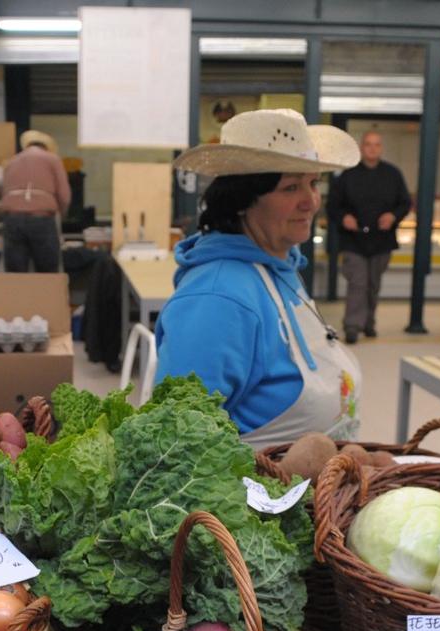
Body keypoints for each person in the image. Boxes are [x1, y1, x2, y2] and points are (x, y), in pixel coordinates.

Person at [155, 109, 363, 447]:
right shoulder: (216, 299)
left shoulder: (279, 267)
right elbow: (174, 441)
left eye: (313, 183)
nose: (310, 201)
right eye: (290, 187)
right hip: (249, 498)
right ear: (242, 201)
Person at [326, 131, 412, 343]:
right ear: (361, 147)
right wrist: (344, 217)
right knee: (358, 283)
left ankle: (368, 322)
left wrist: (393, 216)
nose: (372, 148)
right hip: (353, 241)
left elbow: (405, 203)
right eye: (368, 144)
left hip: (382, 241)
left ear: (381, 148)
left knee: (373, 285)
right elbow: (332, 206)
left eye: (376, 145)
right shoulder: (347, 176)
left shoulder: (393, 174)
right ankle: (352, 326)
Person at [0, 129, 69, 273]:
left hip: (12, 220)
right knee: (47, 272)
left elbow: (4, 192)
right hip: (41, 219)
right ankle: (45, 296)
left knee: (15, 273)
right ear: (47, 147)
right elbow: (64, 194)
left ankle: (17, 295)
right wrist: (62, 214)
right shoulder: (53, 159)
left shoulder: (12, 161)